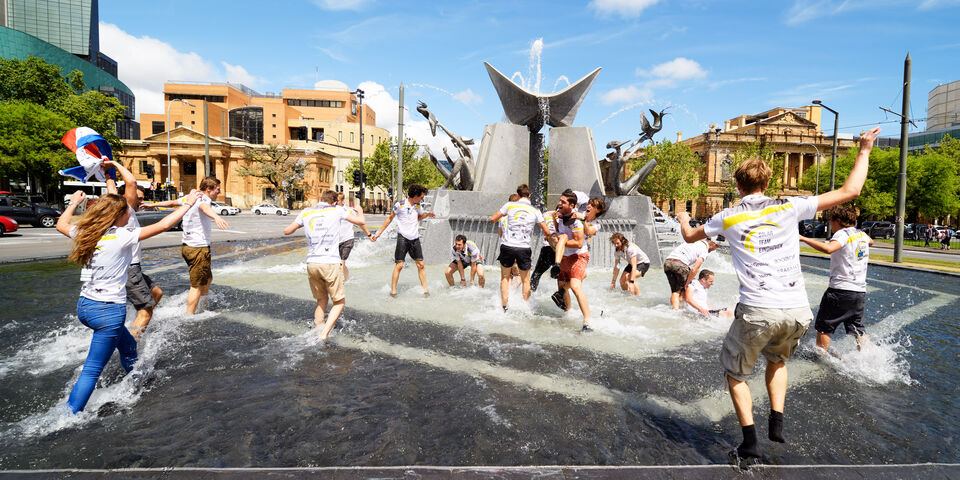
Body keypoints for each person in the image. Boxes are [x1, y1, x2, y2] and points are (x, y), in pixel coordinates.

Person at [677, 126, 881, 460]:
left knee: (735, 374)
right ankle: (777, 421)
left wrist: (685, 218)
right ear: (767, 183)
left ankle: (750, 442)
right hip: (797, 311)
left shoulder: (728, 216)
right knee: (778, 360)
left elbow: (688, 237)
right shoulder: (790, 207)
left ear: (738, 185)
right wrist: (864, 149)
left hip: (758, 310)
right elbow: (851, 189)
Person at [55, 189, 199, 413]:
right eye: (127, 213)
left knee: (129, 346)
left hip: (85, 306)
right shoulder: (121, 236)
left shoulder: (86, 233)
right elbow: (162, 225)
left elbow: (61, 224)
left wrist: (74, 202)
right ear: (118, 215)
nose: (129, 216)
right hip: (108, 312)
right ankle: (67, 417)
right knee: (92, 370)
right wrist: (188, 204)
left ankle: (136, 382)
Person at [284, 190, 368, 339]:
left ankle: (317, 328)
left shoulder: (306, 212)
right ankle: (323, 334)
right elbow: (361, 221)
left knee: (321, 299)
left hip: (312, 263)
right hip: (329, 262)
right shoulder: (337, 210)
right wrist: (360, 211)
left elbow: (287, 231)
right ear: (335, 202)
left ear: (321, 199)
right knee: (339, 302)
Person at [799, 204, 873, 352]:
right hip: (859, 292)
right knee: (858, 330)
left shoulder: (842, 234)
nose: (830, 225)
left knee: (823, 326)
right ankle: (871, 356)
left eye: (830, 221)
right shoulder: (861, 235)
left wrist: (802, 238)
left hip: (840, 291)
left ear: (838, 221)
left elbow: (828, 248)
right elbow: (871, 241)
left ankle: (821, 357)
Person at [151, 177, 230, 314]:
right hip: (198, 248)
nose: (219, 191)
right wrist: (216, 217)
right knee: (197, 286)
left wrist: (152, 205)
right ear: (208, 189)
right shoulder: (203, 199)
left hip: (188, 246)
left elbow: (172, 203)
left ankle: (202, 306)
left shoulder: (191, 196)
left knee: (207, 279)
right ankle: (189, 315)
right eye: (217, 189)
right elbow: (204, 208)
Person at [106, 161, 162, 339]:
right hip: (130, 268)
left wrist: (107, 175)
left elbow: (111, 191)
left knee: (156, 293)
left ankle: (137, 325)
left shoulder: (113, 207)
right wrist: (113, 163)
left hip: (128, 267)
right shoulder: (126, 208)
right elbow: (131, 182)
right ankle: (133, 341)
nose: (141, 201)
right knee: (145, 312)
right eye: (138, 197)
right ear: (126, 198)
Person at [490, 184, 551, 311]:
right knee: (525, 280)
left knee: (505, 278)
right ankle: (526, 308)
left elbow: (493, 219)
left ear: (517, 195)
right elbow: (546, 230)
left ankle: (504, 306)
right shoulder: (535, 211)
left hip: (507, 246)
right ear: (530, 196)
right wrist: (548, 237)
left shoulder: (509, 205)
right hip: (523, 248)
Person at [371, 184, 435, 296]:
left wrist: (427, 215)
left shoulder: (418, 206)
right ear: (415, 195)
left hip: (414, 238)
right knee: (399, 265)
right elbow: (390, 218)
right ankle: (393, 291)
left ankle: (425, 290)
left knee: (421, 264)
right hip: (403, 238)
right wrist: (378, 234)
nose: (422, 199)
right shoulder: (400, 205)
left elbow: (418, 218)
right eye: (421, 197)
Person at [549, 190, 593, 331]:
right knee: (562, 289)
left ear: (572, 205)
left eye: (563, 202)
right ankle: (567, 315)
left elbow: (579, 243)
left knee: (574, 286)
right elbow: (558, 229)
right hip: (565, 256)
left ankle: (588, 322)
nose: (559, 203)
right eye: (560, 201)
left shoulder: (576, 220)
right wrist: (554, 236)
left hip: (578, 256)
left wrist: (562, 240)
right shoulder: (561, 215)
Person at [663, 238, 717, 310]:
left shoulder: (695, 241)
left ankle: (675, 311)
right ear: (713, 244)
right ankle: (681, 311)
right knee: (685, 289)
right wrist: (687, 283)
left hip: (667, 263)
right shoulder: (704, 250)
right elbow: (695, 268)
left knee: (676, 291)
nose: (714, 250)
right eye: (715, 248)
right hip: (680, 264)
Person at [336, 192, 373, 282]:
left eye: (337, 201)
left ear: (342, 201)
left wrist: (369, 234)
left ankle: (341, 283)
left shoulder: (349, 211)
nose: (335, 202)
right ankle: (346, 279)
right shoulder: (331, 211)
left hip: (347, 240)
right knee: (338, 263)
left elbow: (360, 223)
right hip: (335, 241)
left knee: (341, 262)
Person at [529, 204, 559, 292]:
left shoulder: (547, 216)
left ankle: (530, 293)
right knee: (561, 276)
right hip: (559, 250)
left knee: (537, 273)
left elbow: (543, 214)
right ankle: (561, 295)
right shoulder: (564, 219)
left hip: (547, 248)